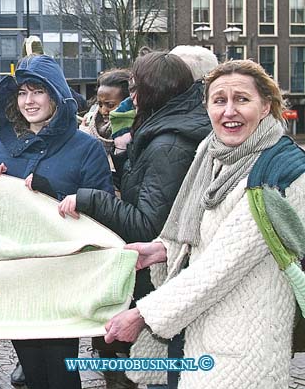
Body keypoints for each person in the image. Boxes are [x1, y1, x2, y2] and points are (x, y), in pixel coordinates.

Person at [103, 59, 305, 389]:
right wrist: (161, 248)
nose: (229, 111)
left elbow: (221, 265)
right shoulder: (210, 151)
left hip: (240, 342)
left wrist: (143, 316)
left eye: (242, 99)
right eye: (219, 100)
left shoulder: (280, 172)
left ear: (266, 105)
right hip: (189, 328)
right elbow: (194, 224)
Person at [57, 52, 211, 389]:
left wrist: (89, 199)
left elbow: (145, 224)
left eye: (135, 89)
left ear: (149, 93)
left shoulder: (168, 143)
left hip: (164, 279)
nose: (131, 98)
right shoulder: (169, 129)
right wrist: (126, 158)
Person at [0, 54, 113, 389]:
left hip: (62, 277)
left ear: (55, 95)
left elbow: (104, 209)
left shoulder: (86, 148)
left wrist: (52, 194)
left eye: (38, 92)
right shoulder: (1, 146)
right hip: (16, 274)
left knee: (60, 370)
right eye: (23, 93)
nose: (29, 101)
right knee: (30, 365)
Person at [79, 69, 131, 158]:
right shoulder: (88, 127)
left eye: (110, 105)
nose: (103, 111)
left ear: (128, 103)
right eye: (100, 104)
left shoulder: (134, 134)